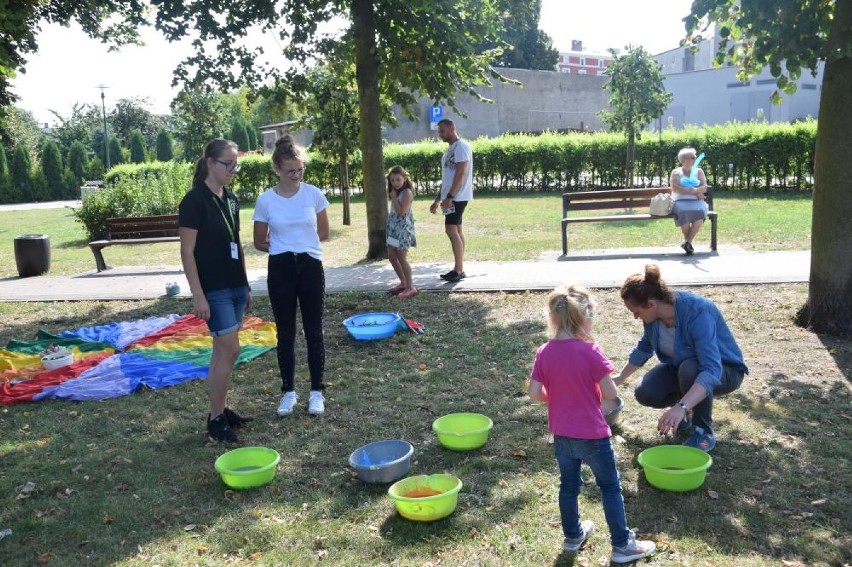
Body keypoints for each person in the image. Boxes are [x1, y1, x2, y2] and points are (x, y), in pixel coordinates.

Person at [527, 285, 656, 564]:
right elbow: (610, 393)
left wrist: (558, 396)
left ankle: (573, 535)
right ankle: (622, 546)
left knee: (569, 486)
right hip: (593, 436)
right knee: (609, 487)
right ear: (584, 317)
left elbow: (535, 393)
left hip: (562, 434)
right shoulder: (590, 351)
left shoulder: (544, 352)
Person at [615, 264, 748, 452]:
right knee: (645, 391)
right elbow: (645, 347)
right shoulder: (653, 319)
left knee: (690, 368)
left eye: (637, 312)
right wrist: (619, 379)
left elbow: (711, 369)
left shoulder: (697, 311)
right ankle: (688, 412)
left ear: (651, 304)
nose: (636, 317)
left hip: (724, 371)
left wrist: (681, 406)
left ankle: (704, 432)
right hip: (683, 369)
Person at [179, 139, 253, 443]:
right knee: (231, 348)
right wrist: (198, 294)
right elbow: (187, 251)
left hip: (235, 284)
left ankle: (220, 410)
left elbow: (237, 243)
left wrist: (246, 284)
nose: (233, 170)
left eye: (236, 164)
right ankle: (215, 419)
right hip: (213, 288)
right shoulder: (194, 201)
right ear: (210, 162)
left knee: (222, 351)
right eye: (228, 164)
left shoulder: (231, 199)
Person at [253, 135, 330, 417]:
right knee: (285, 332)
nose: (296, 175)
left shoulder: (313, 194)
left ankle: (317, 392)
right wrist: (283, 245)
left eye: (300, 170)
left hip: (310, 265)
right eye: (290, 171)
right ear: (277, 169)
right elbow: (259, 240)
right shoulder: (266, 200)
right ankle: (288, 392)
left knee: (313, 330)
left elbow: (323, 232)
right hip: (281, 268)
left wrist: (300, 243)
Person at [430, 118, 473, 283]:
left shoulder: (461, 147)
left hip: (458, 196)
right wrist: (437, 199)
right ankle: (458, 267)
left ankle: (459, 270)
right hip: (452, 196)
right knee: (457, 230)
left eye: (442, 131)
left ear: (452, 128)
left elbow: (461, 173)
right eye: (439, 131)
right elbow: (447, 178)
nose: (440, 134)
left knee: (450, 229)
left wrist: (450, 197)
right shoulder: (451, 149)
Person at [385, 165, 418, 298]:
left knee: (402, 258)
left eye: (398, 179)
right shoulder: (396, 192)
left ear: (404, 178)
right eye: (392, 180)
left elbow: (401, 211)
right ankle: (403, 283)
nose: (395, 183)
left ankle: (411, 287)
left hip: (403, 230)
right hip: (393, 230)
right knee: (392, 257)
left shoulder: (407, 193)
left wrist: (393, 197)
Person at [670, 147, 709, 255]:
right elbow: (675, 188)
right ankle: (688, 243)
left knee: (700, 212)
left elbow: (704, 187)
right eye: (692, 157)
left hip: (696, 201)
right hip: (680, 201)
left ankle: (688, 242)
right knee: (683, 212)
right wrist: (693, 192)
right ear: (684, 159)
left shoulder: (699, 171)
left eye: (695, 157)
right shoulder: (676, 172)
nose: (695, 159)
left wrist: (697, 190)